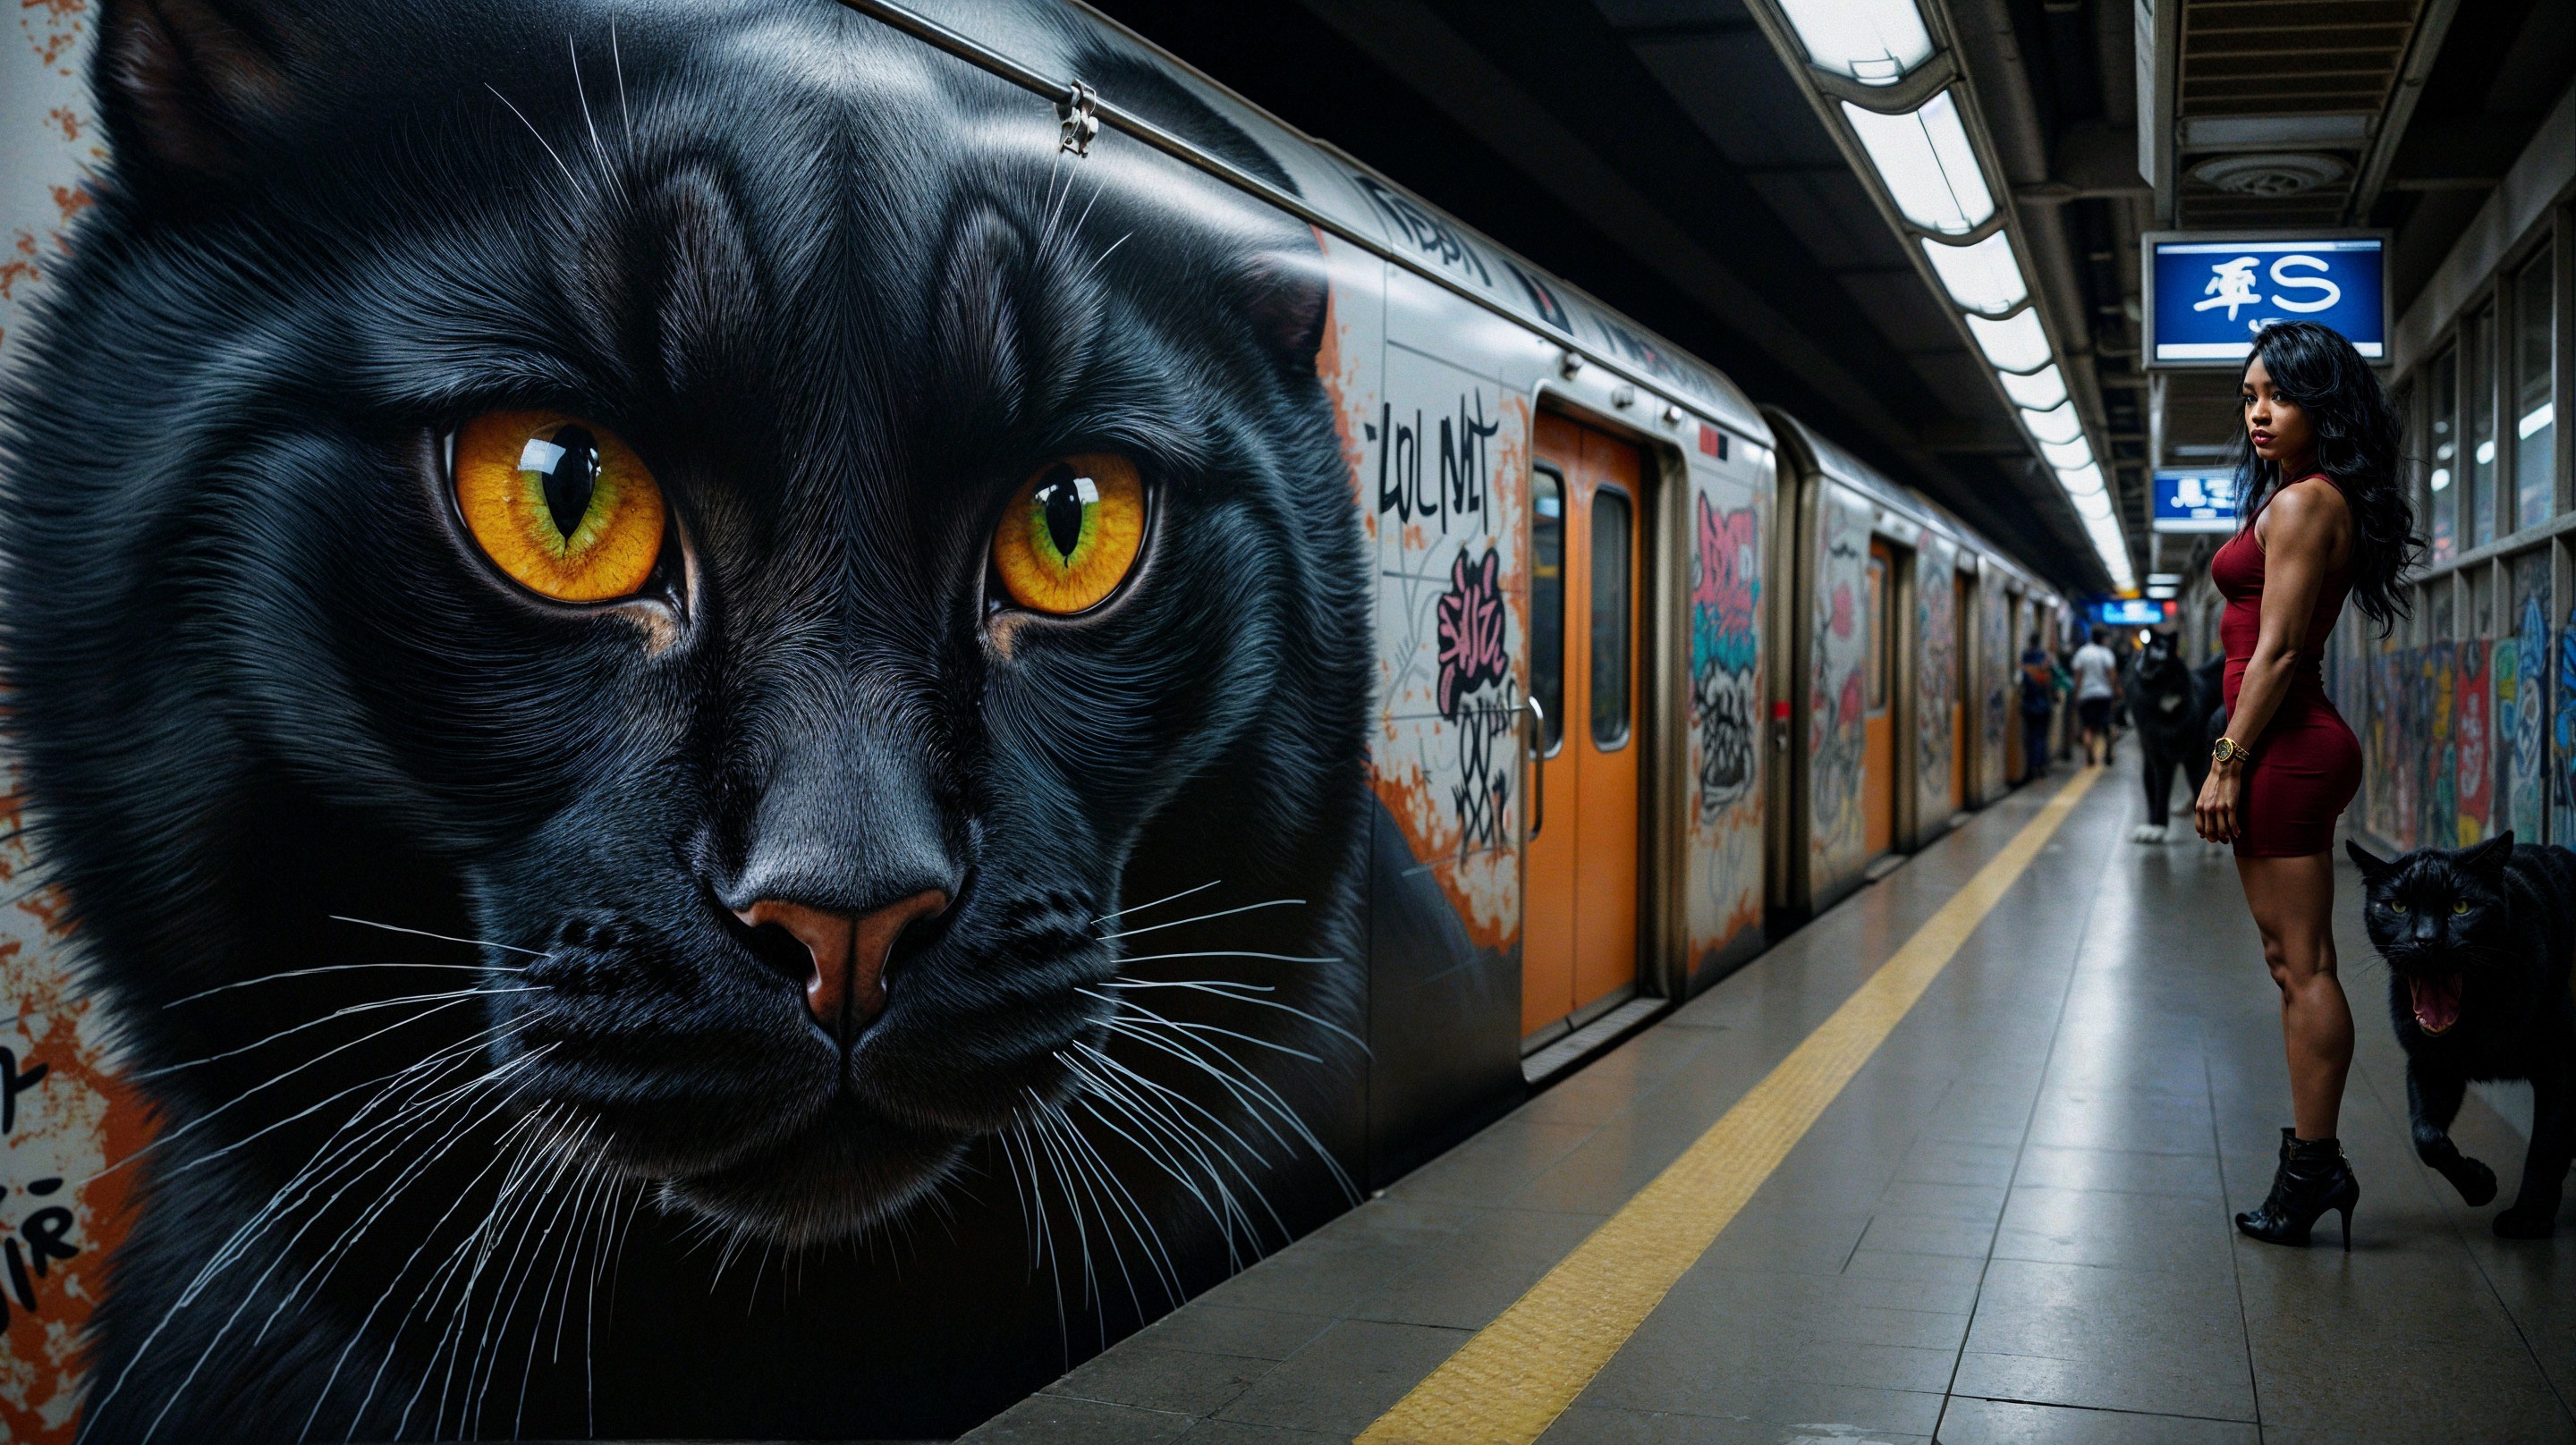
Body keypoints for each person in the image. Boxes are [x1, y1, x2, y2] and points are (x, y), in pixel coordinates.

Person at [2193, 319, 2419, 1248]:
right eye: (2250, 396)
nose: (2259, 412)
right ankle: (2312, 1163)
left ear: (2323, 404)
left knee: (2305, 965)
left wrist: (2227, 761)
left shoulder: (2304, 504)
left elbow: (2280, 651)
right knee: (2292, 962)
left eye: (2279, 396)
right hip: (2284, 743)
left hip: (2284, 748)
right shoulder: (2303, 497)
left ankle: (2315, 1167)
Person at [2070, 626, 2119, 765]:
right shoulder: (2106, 653)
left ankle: (2090, 753)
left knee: (2087, 727)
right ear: (2103, 638)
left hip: (2086, 695)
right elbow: (2112, 675)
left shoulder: (2082, 653)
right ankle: (2109, 748)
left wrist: (2076, 695)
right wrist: (2115, 692)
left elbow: (2078, 676)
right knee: (2107, 725)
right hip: (2104, 695)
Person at [2019, 631, 2055, 781]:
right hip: (2043, 705)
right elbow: (2051, 682)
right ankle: (2040, 766)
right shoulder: (2046, 659)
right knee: (2041, 737)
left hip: (2028, 704)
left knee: (2029, 738)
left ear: (2029, 642)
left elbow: (2020, 680)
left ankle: (2030, 767)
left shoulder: (2025, 659)